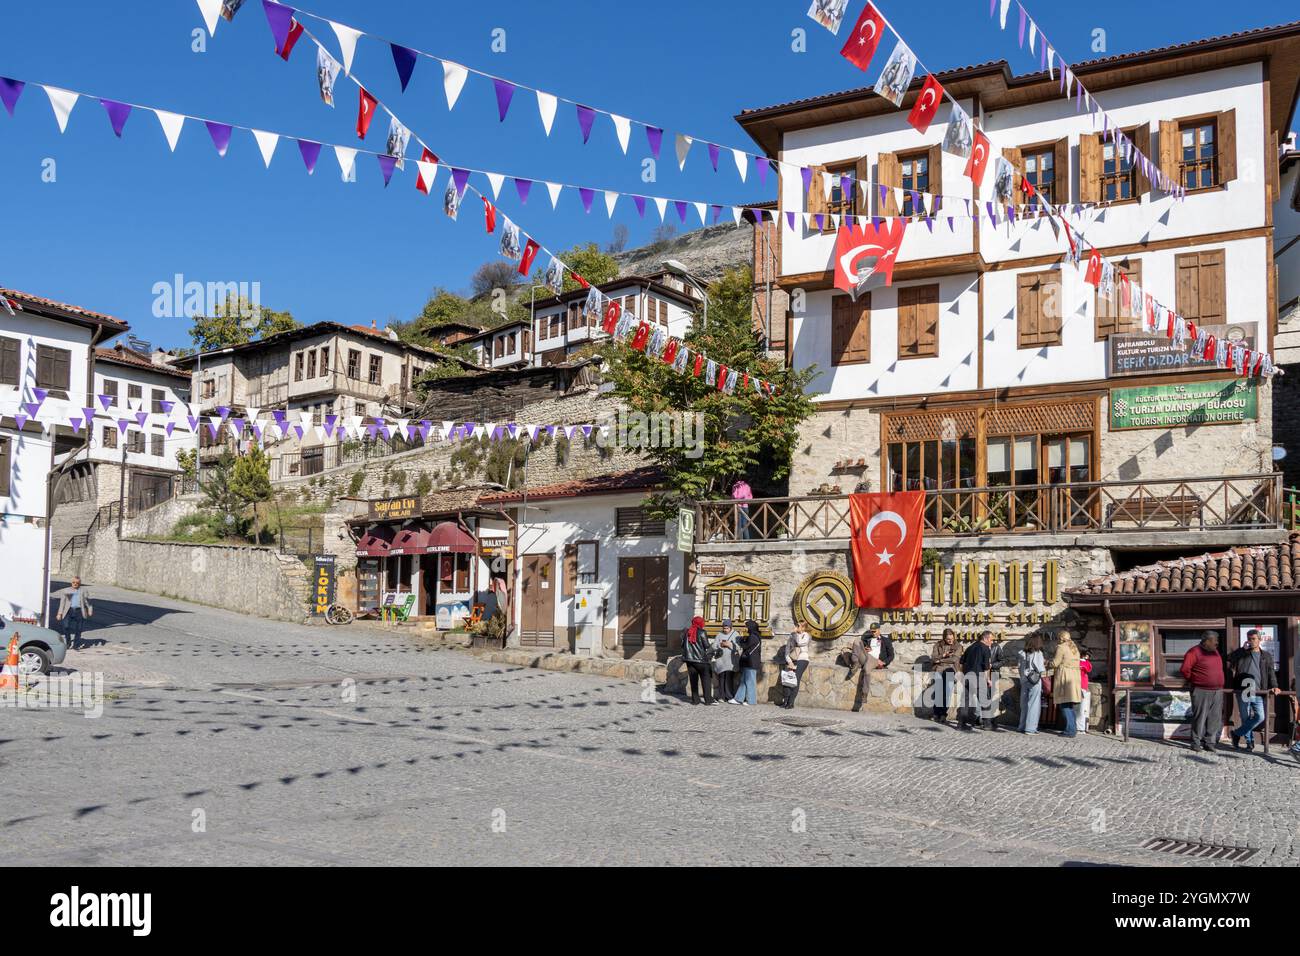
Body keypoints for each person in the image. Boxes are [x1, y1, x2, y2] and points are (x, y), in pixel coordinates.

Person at [1228, 629, 1278, 752]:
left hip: (1259, 691)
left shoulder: (1266, 655)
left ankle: (1236, 734)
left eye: (1253, 639)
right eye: (1249, 639)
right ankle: (1250, 742)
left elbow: (1271, 672)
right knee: (1245, 717)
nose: (1251, 641)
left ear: (1259, 640)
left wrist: (1275, 685)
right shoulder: (1243, 653)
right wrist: (1241, 650)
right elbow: (1230, 659)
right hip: (1244, 689)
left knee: (1260, 716)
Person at [1180, 631, 1225, 752]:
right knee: (1200, 717)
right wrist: (1194, 680)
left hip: (1217, 690)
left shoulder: (1214, 651)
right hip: (1201, 690)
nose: (1217, 642)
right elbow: (1185, 669)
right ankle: (1196, 742)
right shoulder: (1194, 651)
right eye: (1215, 640)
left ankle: (1209, 742)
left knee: (1214, 718)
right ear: (1207, 640)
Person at [845, 622, 894, 713]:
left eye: (875, 631)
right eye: (872, 631)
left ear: (879, 630)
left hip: (875, 660)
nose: (873, 633)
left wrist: (884, 663)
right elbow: (861, 646)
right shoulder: (867, 638)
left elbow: (891, 655)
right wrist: (867, 648)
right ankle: (855, 662)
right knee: (856, 641)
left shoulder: (886, 641)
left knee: (866, 670)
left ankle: (864, 693)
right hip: (866, 657)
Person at [958, 631, 995, 730]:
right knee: (985, 702)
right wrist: (988, 680)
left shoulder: (970, 647)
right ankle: (987, 724)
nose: (992, 642)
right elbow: (987, 667)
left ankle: (961, 724)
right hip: (978, 677)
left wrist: (962, 674)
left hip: (967, 677)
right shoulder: (986, 648)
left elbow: (961, 663)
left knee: (965, 701)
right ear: (985, 638)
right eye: (991, 640)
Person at [1050, 630, 1083, 738]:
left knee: (1064, 704)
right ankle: (1072, 728)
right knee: (1070, 705)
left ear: (1060, 638)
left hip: (1065, 678)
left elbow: (1055, 663)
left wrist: (1047, 663)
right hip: (1074, 678)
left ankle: (1070, 730)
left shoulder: (1061, 647)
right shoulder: (1074, 647)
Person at [928, 628, 961, 722]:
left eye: (952, 638)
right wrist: (943, 655)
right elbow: (933, 658)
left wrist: (940, 660)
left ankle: (943, 714)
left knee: (947, 693)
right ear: (944, 638)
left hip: (951, 669)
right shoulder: (938, 645)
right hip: (939, 669)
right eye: (948, 639)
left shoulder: (958, 646)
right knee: (938, 692)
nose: (950, 641)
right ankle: (936, 713)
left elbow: (954, 659)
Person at [681, 615, 715, 705]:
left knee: (693, 681)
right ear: (700, 623)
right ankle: (708, 700)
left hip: (689, 660)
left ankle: (695, 700)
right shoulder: (702, 632)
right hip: (701, 661)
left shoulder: (686, 632)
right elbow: (706, 646)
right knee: (706, 680)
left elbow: (682, 645)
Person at [729, 619, 763, 706]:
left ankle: (751, 701)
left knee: (750, 681)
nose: (746, 628)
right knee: (744, 681)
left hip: (751, 662)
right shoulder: (754, 636)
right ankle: (738, 699)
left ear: (750, 627)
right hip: (749, 661)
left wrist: (739, 639)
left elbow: (745, 646)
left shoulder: (753, 636)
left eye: (747, 626)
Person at [1017, 634, 1046, 735]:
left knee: (1024, 704)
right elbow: (1040, 668)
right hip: (1034, 681)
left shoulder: (1022, 653)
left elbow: (1019, 668)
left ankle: (1022, 726)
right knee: (1033, 704)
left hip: (1024, 680)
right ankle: (1030, 728)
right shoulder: (1038, 653)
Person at [55, 576, 94, 650]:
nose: (75, 584)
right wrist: (59, 613)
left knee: (79, 629)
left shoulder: (83, 591)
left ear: (80, 583)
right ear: (71, 583)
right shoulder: (65, 591)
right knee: (66, 626)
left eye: (77, 583)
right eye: (73, 582)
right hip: (68, 611)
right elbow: (62, 603)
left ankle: (76, 645)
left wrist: (90, 610)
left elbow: (88, 602)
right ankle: (68, 642)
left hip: (79, 611)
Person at [780, 622, 811, 709]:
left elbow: (800, 643)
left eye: (799, 626)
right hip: (792, 660)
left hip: (802, 659)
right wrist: (789, 662)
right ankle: (785, 701)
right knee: (787, 680)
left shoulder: (806, 636)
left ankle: (791, 703)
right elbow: (787, 651)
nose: (797, 627)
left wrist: (795, 634)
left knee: (795, 680)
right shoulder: (792, 636)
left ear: (803, 628)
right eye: (796, 625)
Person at [713, 619, 741, 702]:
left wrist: (730, 644)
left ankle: (729, 696)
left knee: (729, 678)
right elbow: (714, 646)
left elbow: (739, 647)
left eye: (727, 628)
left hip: (730, 662)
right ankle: (721, 696)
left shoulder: (736, 634)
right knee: (721, 678)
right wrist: (720, 644)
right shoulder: (719, 634)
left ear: (730, 627)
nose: (725, 630)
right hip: (721, 661)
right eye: (724, 628)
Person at [1078, 647, 1094, 735]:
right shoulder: (1085, 663)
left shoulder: (1084, 662)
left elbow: (1088, 669)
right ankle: (1080, 727)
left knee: (1081, 707)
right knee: (1081, 707)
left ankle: (1080, 727)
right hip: (1081, 683)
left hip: (1081, 684)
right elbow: (1089, 669)